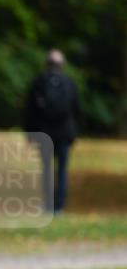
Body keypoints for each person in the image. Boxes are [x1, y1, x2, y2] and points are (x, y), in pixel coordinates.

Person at [24, 48, 80, 214]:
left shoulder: (38, 82)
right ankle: (60, 206)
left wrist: (30, 133)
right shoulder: (69, 83)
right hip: (64, 133)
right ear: (62, 64)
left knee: (47, 170)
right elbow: (77, 109)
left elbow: (30, 111)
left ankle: (48, 205)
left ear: (47, 64)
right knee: (62, 171)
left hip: (44, 132)